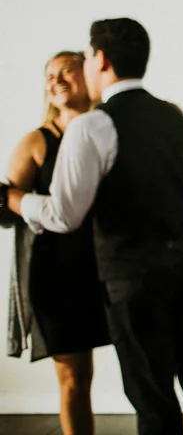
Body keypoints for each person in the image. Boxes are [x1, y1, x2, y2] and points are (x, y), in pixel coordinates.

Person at [0, 19, 183, 435]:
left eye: (85, 59)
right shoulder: (177, 117)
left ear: (101, 60)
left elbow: (64, 215)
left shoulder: (92, 125)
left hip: (129, 275)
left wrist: (15, 199)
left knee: (151, 391)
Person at [3, 51, 110, 435]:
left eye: (67, 71)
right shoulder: (36, 141)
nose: (57, 80)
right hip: (59, 278)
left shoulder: (110, 131)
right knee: (74, 381)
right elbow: (6, 207)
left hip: (111, 270)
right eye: (50, 75)